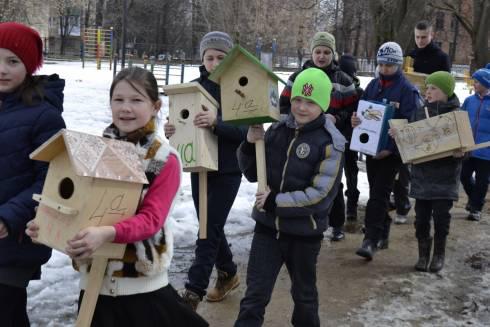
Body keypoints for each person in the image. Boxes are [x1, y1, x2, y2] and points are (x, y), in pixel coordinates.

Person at [27, 67, 208, 327]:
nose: (126, 108)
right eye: (119, 100)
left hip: (141, 293)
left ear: (155, 106)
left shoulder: (160, 159)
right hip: (93, 290)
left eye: (136, 100)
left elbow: (151, 219)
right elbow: (79, 208)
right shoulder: (93, 151)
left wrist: (108, 233)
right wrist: (47, 226)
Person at [234, 68, 344, 327]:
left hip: (304, 235)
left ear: (323, 104)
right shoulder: (276, 129)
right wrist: (250, 144)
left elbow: (320, 196)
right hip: (267, 230)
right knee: (254, 297)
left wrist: (275, 202)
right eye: (297, 100)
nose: (302, 107)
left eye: (310, 102)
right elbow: (252, 173)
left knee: (304, 298)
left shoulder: (331, 143)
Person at [164, 31, 247, 310]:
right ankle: (228, 273)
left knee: (208, 230)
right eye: (209, 57)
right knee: (209, 227)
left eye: (220, 57)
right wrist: (172, 130)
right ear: (202, 59)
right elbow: (181, 122)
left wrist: (216, 122)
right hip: (199, 167)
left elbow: (245, 131)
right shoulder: (192, 88)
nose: (214, 62)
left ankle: (193, 291)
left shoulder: (238, 87)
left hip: (228, 168)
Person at [0, 22, 66, 327]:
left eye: (13, 61)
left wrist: (9, 217)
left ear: (28, 66)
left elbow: (52, 178)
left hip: (16, 237)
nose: (2, 69)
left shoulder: (45, 114)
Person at [279, 31, 358, 242]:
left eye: (326, 52)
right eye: (317, 51)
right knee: (303, 180)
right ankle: (305, 220)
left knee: (333, 184)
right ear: (311, 53)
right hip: (300, 137)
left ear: (333, 54)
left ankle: (337, 224)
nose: (321, 56)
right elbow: (284, 105)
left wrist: (337, 119)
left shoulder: (343, 80)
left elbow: (353, 110)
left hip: (331, 140)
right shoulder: (296, 78)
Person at [352, 42, 420, 260]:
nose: (384, 69)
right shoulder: (372, 86)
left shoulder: (407, 90)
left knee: (379, 194)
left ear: (398, 65)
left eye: (389, 65)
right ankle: (384, 229)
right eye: (381, 64)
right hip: (372, 151)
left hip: (391, 154)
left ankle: (370, 240)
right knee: (376, 193)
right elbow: (361, 113)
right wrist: (356, 120)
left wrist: (390, 149)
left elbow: (411, 123)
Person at [392, 71, 462, 273]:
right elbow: (411, 142)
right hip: (422, 177)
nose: (428, 92)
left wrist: (460, 153)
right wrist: (399, 136)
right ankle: (423, 254)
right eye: (427, 88)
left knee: (441, 218)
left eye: (434, 88)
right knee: (421, 219)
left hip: (445, 179)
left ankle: (439, 254)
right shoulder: (419, 113)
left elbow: (466, 145)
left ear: (447, 91)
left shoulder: (457, 115)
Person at [460, 66, 490, 221]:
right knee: (464, 176)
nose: (474, 84)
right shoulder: (469, 100)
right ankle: (474, 200)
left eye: (477, 82)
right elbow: (459, 118)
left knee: (482, 181)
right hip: (469, 148)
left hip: (486, 151)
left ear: (486, 83)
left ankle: (476, 209)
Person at [339, 53, 363, 224]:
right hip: (341, 136)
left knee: (349, 171)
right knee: (347, 171)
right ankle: (347, 206)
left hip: (349, 138)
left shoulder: (358, 92)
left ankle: (351, 206)